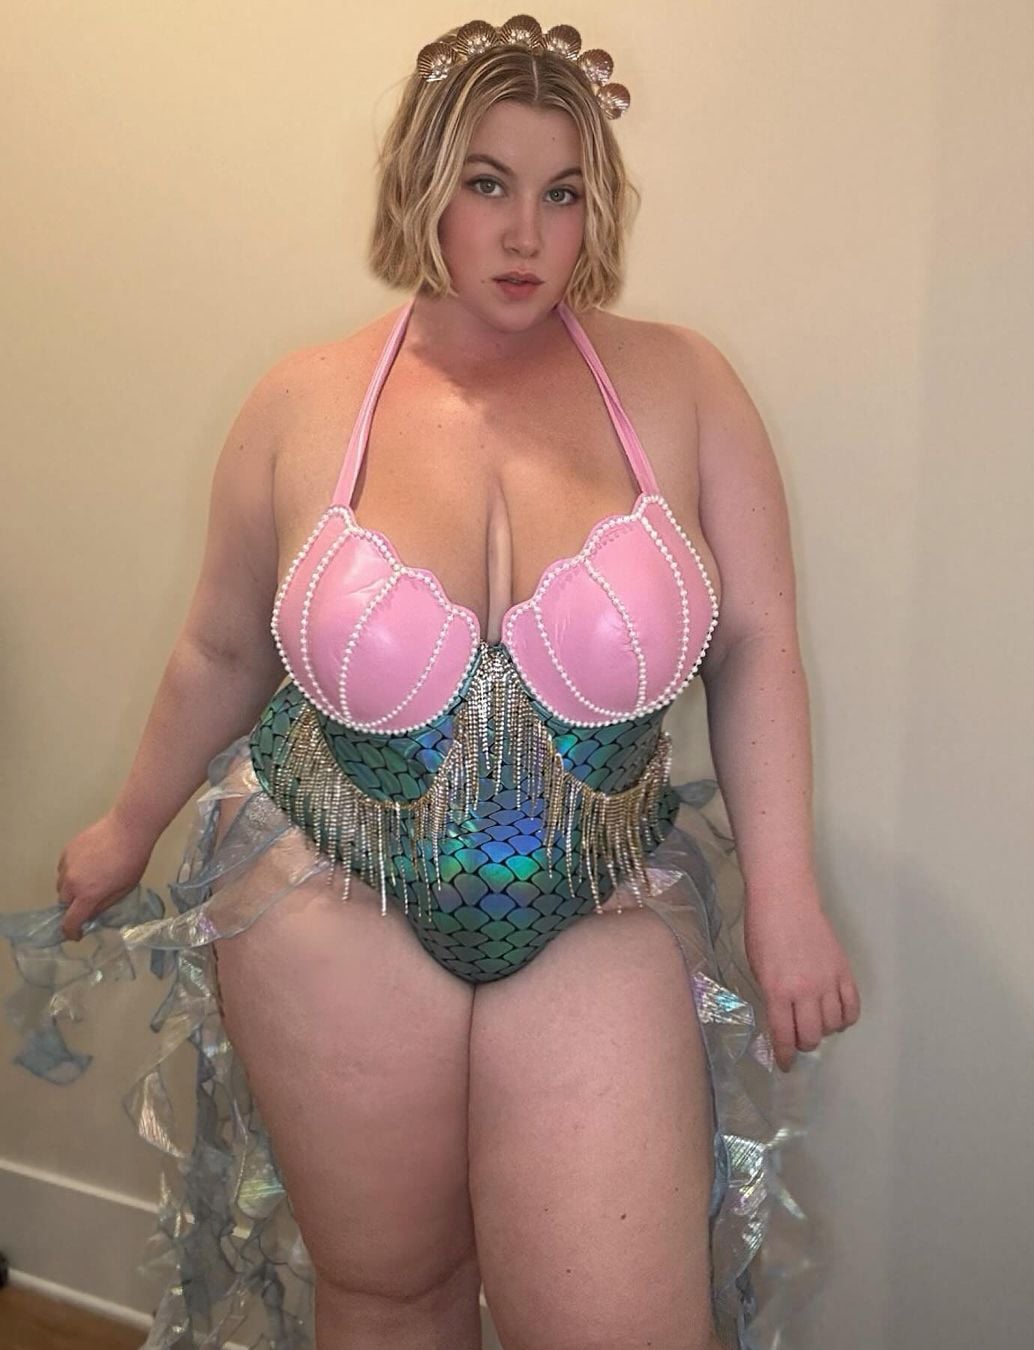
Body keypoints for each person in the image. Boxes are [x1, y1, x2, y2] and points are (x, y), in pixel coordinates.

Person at [1, 15, 860, 1350]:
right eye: (488, 183)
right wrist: (128, 822)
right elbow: (223, 650)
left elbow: (756, 642)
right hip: (326, 894)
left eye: (562, 192)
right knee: (388, 1293)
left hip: (600, 899)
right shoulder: (301, 400)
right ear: (423, 183)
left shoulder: (686, 384)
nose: (525, 233)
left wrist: (788, 891)